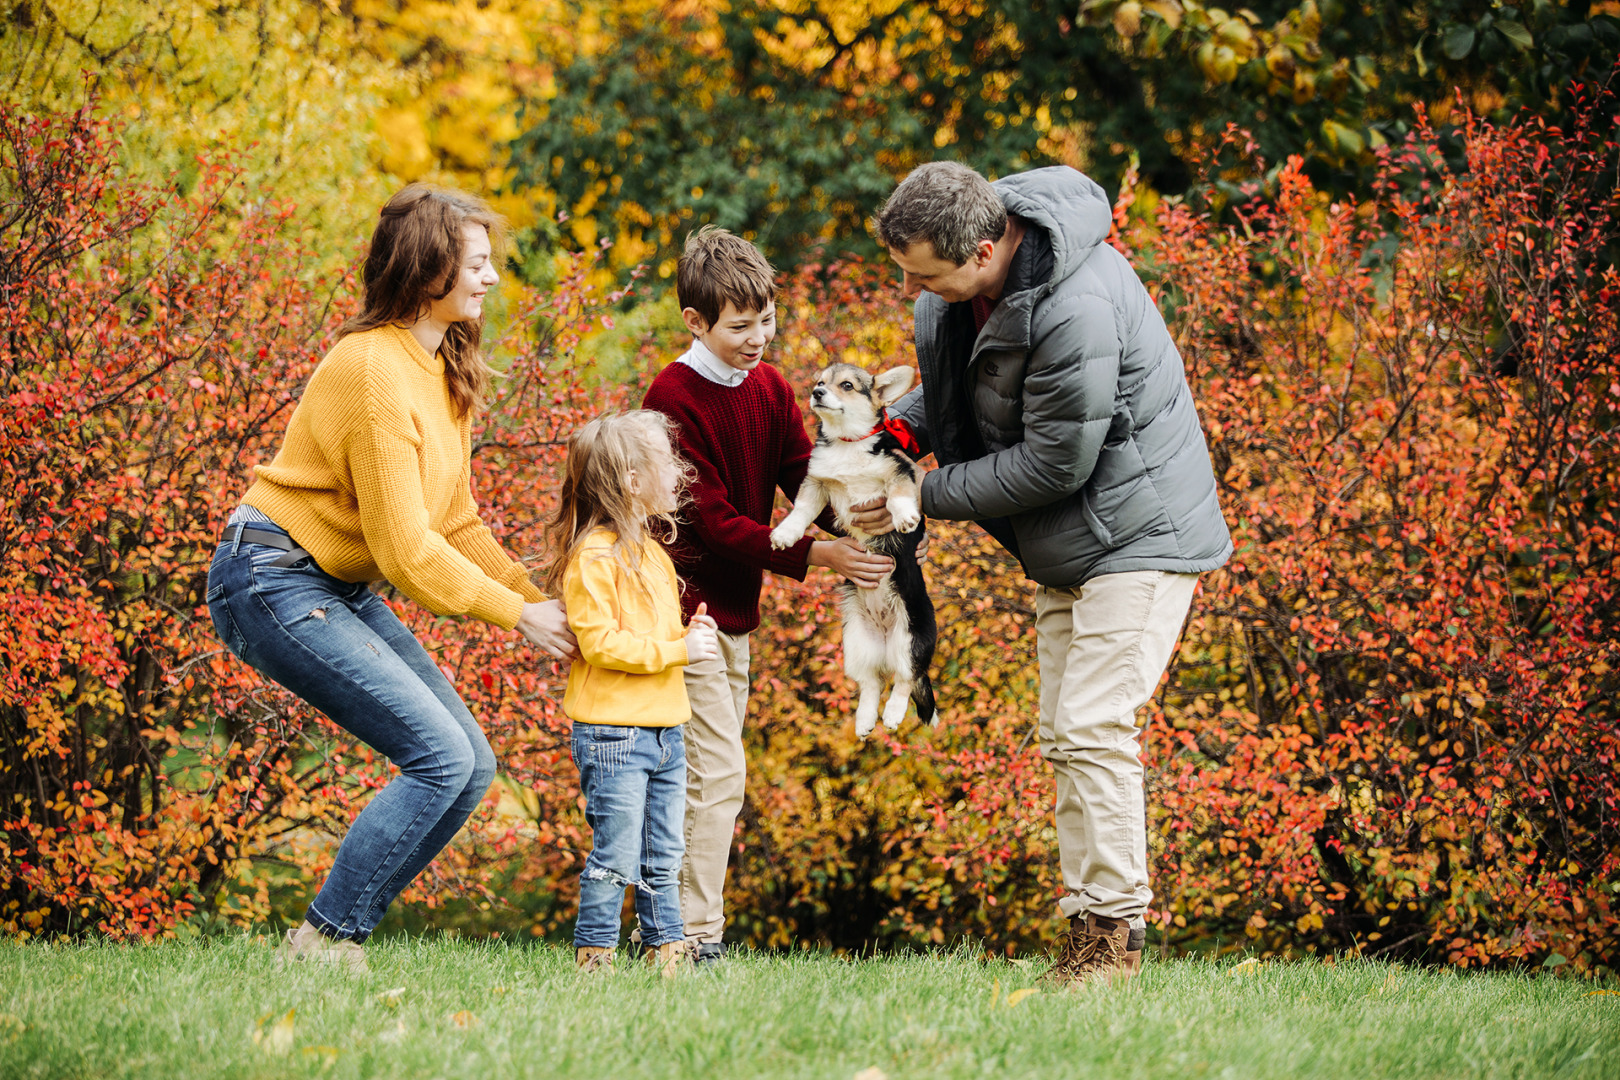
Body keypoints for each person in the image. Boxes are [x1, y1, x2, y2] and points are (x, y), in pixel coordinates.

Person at [869, 161, 1232, 985]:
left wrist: (918, 493)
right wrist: (896, 431)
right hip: (1069, 547)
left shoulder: (1077, 303)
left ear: (985, 249)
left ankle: (1115, 938)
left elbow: (1055, 462)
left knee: (1092, 725)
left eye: (925, 274)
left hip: (1139, 538)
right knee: (1066, 739)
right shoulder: (972, 285)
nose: (912, 286)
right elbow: (968, 388)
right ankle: (1087, 934)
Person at [206, 184, 577, 974]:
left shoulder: (441, 366)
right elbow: (409, 552)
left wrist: (546, 603)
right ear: (429, 266)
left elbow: (457, 521)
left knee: (470, 766)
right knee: (438, 757)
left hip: (329, 584)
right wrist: (517, 615)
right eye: (476, 264)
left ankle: (335, 941)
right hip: (270, 576)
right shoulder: (373, 368)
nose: (490, 281)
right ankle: (319, 944)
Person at [641, 226, 894, 965]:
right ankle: (694, 940)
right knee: (717, 773)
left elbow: (801, 477)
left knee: (704, 776)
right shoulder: (672, 398)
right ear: (697, 322)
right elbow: (714, 523)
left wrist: (860, 519)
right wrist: (818, 554)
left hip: (736, 616)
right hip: (682, 612)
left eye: (766, 320)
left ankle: (671, 929)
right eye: (740, 325)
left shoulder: (772, 388)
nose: (758, 337)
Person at [545, 411, 719, 975]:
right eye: (667, 463)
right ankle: (594, 957)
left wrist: (691, 637)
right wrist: (679, 651)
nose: (679, 473)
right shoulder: (595, 557)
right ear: (630, 480)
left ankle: (666, 955)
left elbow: (656, 640)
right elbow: (602, 646)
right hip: (615, 734)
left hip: (667, 729)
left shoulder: (654, 555)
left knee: (664, 856)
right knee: (615, 857)